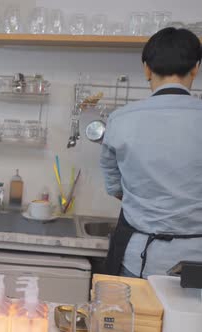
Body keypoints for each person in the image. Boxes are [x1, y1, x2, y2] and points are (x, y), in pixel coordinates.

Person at [101, 27, 202, 278]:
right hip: (197, 261)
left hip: (139, 258)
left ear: (147, 69)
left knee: (136, 317)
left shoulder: (121, 120)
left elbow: (114, 185)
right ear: (195, 68)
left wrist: (149, 202)